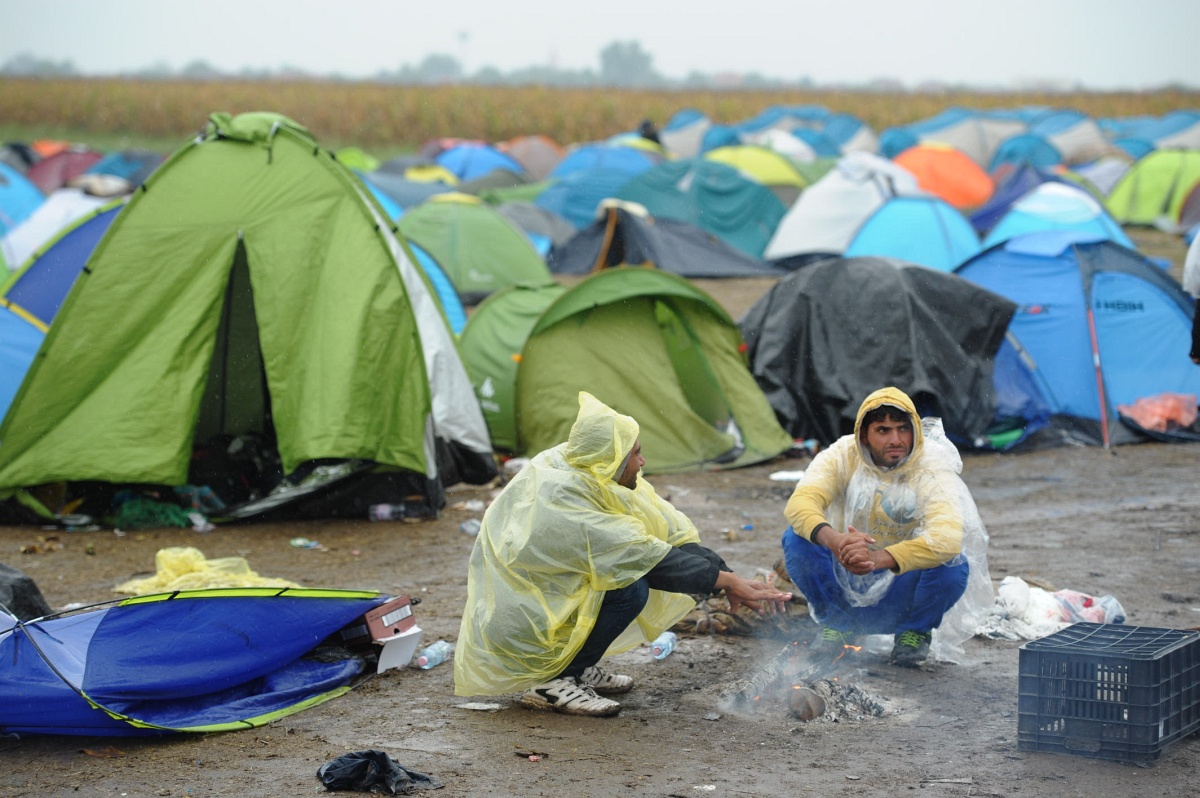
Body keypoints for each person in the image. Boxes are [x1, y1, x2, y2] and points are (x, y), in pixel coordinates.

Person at [454, 392, 791, 717]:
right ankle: (554, 682)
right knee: (630, 586)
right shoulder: (564, 497)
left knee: (629, 576)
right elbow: (648, 557)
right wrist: (725, 581)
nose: (642, 461)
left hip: (545, 601)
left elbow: (668, 534)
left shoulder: (594, 469)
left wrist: (727, 577)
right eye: (636, 453)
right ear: (612, 458)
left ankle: (578, 669)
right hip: (524, 624)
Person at [780, 387, 992, 668]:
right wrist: (837, 542)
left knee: (954, 564)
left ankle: (913, 632)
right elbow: (800, 503)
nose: (896, 440)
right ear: (864, 435)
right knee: (797, 538)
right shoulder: (843, 454)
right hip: (844, 577)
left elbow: (947, 538)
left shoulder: (931, 464)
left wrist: (877, 559)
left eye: (903, 429)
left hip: (900, 591)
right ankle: (838, 625)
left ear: (915, 429)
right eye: (883, 430)